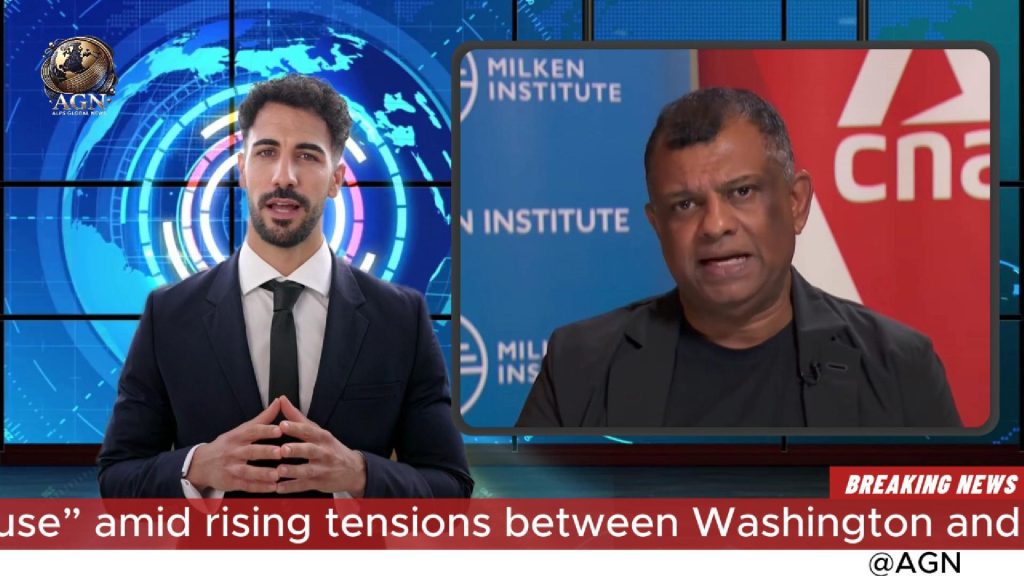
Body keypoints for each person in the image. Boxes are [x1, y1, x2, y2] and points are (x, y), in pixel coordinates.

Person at [98, 74, 472, 497]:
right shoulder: (168, 315)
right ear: (242, 169)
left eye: (307, 156)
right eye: (267, 152)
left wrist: (360, 473)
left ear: (336, 179)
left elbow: (451, 487)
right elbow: (117, 477)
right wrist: (196, 467)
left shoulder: (401, 319)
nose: (284, 176)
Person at [516, 87, 962, 428]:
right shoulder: (579, 366)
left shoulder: (899, 367)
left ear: (796, 203)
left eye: (742, 192)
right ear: (658, 225)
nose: (715, 225)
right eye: (685, 205)